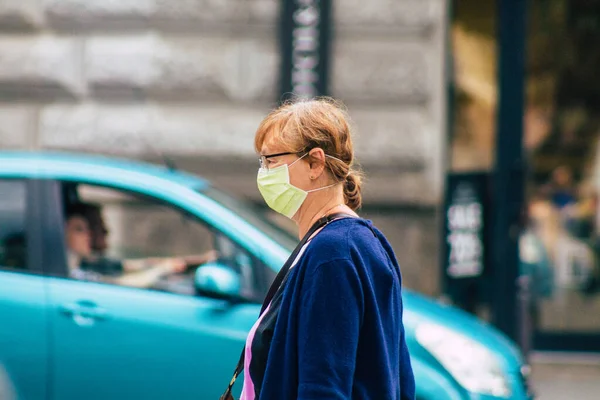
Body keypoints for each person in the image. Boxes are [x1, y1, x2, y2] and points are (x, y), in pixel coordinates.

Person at [232, 98, 415, 399]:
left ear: (315, 162)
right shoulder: (358, 242)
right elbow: (400, 374)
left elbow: (323, 386)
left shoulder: (333, 253)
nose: (264, 173)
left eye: (271, 160)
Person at [64, 204, 191, 287]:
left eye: (89, 229)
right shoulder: (71, 274)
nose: (89, 235)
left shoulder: (87, 263)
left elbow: (129, 265)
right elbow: (118, 284)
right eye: (79, 230)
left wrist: (168, 265)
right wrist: (161, 270)